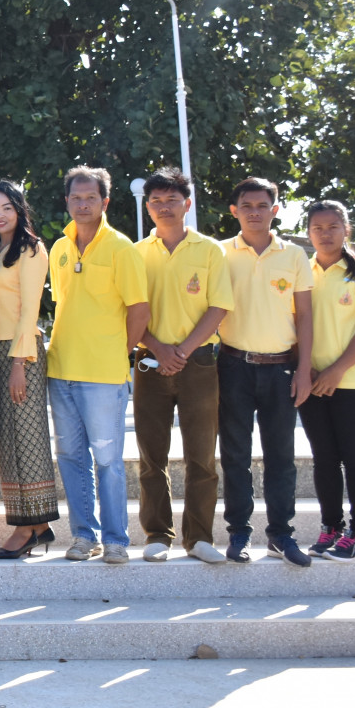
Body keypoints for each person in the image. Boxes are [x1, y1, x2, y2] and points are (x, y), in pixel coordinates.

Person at [46, 166, 149, 565]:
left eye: (91, 197)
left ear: (105, 202)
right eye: (76, 197)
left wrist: (115, 351)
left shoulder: (122, 248)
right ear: (67, 201)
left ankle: (116, 540)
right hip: (61, 370)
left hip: (104, 376)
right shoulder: (59, 248)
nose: (83, 204)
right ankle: (83, 536)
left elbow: (139, 311)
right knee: (71, 458)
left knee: (107, 461)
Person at [132, 168, 234, 565]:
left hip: (199, 363)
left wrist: (184, 351)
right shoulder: (137, 253)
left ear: (187, 204)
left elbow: (219, 306)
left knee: (201, 455)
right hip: (149, 362)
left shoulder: (209, 250)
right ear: (147, 206)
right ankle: (157, 533)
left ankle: (200, 537)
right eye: (156, 201)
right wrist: (159, 347)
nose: (163, 207)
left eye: (171, 200)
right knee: (151, 454)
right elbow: (130, 311)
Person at [217, 177, 315, 566]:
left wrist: (304, 370)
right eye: (247, 205)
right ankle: (239, 532)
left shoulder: (293, 256)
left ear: (275, 210)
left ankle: (281, 534)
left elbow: (305, 315)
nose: (254, 212)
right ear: (234, 211)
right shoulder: (220, 253)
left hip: (281, 369)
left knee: (281, 456)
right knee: (235, 455)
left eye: (262, 205)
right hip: (233, 365)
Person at [0, 181, 58, 559]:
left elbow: (30, 311)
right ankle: (36, 526)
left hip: (19, 352)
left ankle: (29, 527)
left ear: (19, 209)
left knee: (26, 438)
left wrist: (18, 364)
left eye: (6, 207)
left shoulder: (31, 248)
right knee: (7, 442)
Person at [302, 199, 355, 562]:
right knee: (323, 458)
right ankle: (331, 529)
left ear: (346, 230)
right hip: (311, 383)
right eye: (318, 227)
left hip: (352, 383)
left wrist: (336, 370)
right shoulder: (301, 272)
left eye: (333, 226)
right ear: (308, 232)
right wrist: (307, 371)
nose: (325, 233)